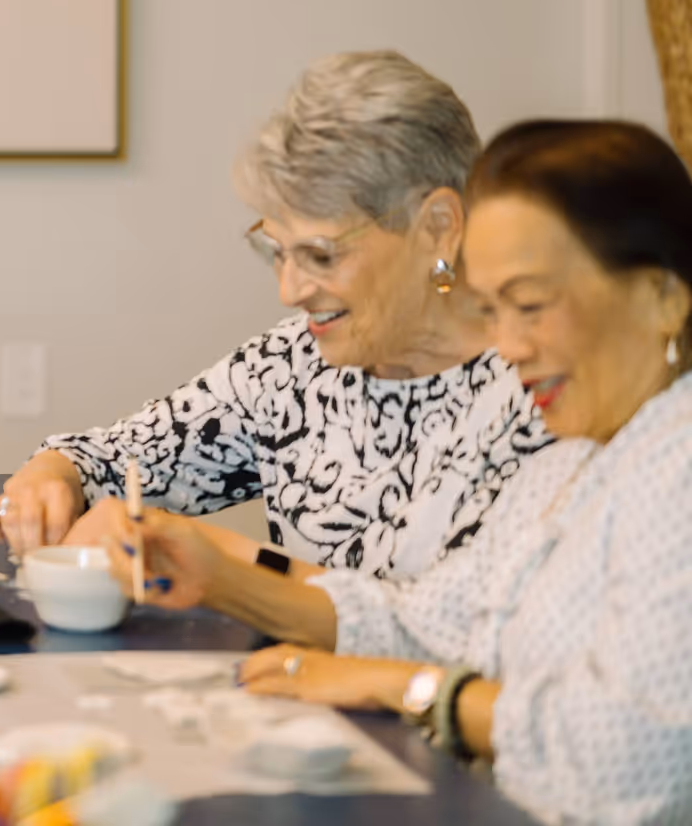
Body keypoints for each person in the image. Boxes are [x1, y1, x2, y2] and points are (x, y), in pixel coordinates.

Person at [100, 119, 692, 824]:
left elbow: (634, 752)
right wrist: (221, 578)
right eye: (494, 310)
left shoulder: (676, 467)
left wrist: (403, 689)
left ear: (664, 297)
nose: (507, 345)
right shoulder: (572, 463)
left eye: (531, 306)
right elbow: (426, 621)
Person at [0, 52, 548, 578]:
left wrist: (229, 563)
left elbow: (457, 628)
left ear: (439, 229)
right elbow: (118, 459)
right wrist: (54, 474)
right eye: (277, 250)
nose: (289, 290)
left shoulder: (545, 390)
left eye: (321, 255)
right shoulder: (295, 364)